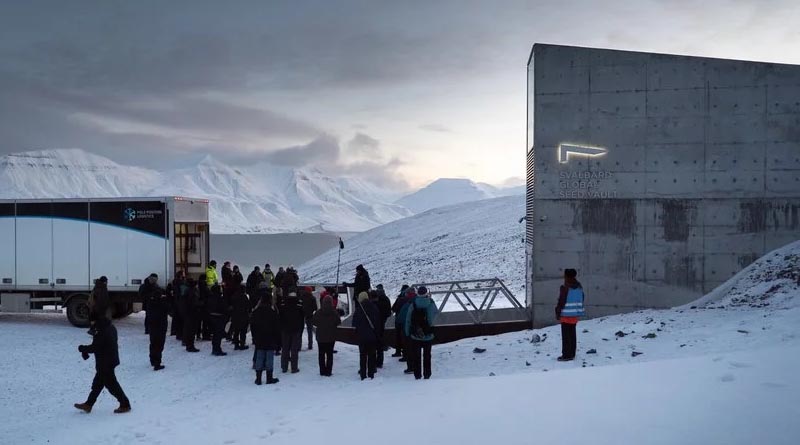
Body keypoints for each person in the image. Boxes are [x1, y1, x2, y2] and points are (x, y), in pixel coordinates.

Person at [74, 317, 131, 414]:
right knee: (98, 384)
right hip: (109, 361)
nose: (90, 323)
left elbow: (95, 347)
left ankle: (125, 404)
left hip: (106, 363)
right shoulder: (109, 327)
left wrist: (82, 348)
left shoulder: (101, 331)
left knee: (111, 385)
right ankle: (88, 404)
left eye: (91, 321)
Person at [404, 286, 438, 380]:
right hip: (428, 335)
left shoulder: (413, 303)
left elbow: (408, 319)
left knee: (416, 356)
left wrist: (407, 333)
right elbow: (434, 317)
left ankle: (417, 375)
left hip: (415, 335)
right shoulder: (431, 303)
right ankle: (427, 374)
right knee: (427, 355)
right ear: (426, 293)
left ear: (417, 293)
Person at [250, 294, 281, 385]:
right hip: (270, 338)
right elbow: (277, 328)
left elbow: (252, 326)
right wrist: (278, 340)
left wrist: (254, 337)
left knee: (259, 357)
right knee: (269, 358)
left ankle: (258, 378)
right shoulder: (273, 313)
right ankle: (269, 377)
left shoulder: (256, 312)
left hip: (259, 338)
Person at [555, 268, 584, 362]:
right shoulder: (579, 287)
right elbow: (582, 298)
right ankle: (572, 353)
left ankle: (566, 355)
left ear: (566, 276)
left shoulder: (565, 288)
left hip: (565, 315)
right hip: (574, 315)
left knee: (566, 336)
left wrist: (557, 312)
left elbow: (561, 302)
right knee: (572, 334)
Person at [141, 273, 168, 371]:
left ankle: (153, 360)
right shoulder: (162, 303)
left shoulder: (150, 303)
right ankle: (157, 362)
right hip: (161, 325)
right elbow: (169, 309)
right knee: (159, 343)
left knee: (153, 342)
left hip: (152, 323)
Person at [353, 291, 380, 380]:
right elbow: (378, 322)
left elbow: (354, 323)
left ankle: (363, 374)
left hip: (362, 336)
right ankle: (371, 374)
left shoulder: (358, 309)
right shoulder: (374, 307)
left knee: (363, 355)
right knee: (372, 355)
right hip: (372, 336)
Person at [312, 295, 341, 376]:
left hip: (320, 337)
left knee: (321, 354)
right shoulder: (334, 312)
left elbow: (314, 322)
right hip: (331, 337)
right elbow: (338, 322)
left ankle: (322, 371)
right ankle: (328, 371)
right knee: (329, 354)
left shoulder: (319, 312)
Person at [278, 289, 304, 373]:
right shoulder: (299, 304)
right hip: (296, 329)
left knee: (285, 349)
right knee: (294, 350)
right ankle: (294, 367)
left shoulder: (283, 303)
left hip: (285, 329)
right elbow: (302, 316)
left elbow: (280, 316)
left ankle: (284, 367)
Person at [371, 287, 392, 368]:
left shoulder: (376, 303)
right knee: (380, 343)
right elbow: (389, 312)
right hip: (382, 322)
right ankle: (380, 362)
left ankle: (375, 361)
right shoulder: (387, 300)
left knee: (374, 343)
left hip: (376, 324)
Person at [397, 287, 417, 370]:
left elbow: (400, 318)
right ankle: (417, 367)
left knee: (409, 349)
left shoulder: (407, 304)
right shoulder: (418, 301)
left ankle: (411, 367)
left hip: (408, 329)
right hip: (418, 329)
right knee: (416, 350)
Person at [207, 283, 229, 356]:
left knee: (215, 335)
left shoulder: (210, 298)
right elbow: (224, 308)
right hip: (219, 317)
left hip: (211, 317)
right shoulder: (220, 298)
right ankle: (217, 349)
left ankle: (215, 348)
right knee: (218, 335)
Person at [229, 282, 251, 350]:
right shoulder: (244, 297)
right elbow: (249, 306)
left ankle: (236, 344)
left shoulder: (234, 296)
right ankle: (242, 344)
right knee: (243, 331)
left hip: (235, 316)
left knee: (236, 331)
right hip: (243, 316)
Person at [391, 284, 410, 357]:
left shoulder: (399, 299)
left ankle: (398, 351)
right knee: (406, 337)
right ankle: (405, 353)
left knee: (398, 336)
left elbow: (394, 308)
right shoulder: (410, 299)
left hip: (398, 320)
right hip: (407, 321)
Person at [181, 278, 201, 352]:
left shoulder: (186, 290)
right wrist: (201, 304)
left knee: (188, 328)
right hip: (192, 312)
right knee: (191, 330)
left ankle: (187, 343)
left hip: (188, 312)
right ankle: (190, 345)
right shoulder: (192, 292)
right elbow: (194, 303)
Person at [168, 271, 187, 342]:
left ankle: (176, 333)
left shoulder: (175, 282)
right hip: (180, 302)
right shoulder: (181, 283)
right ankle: (180, 334)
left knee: (177, 318)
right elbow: (183, 292)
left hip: (176, 302)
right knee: (181, 319)